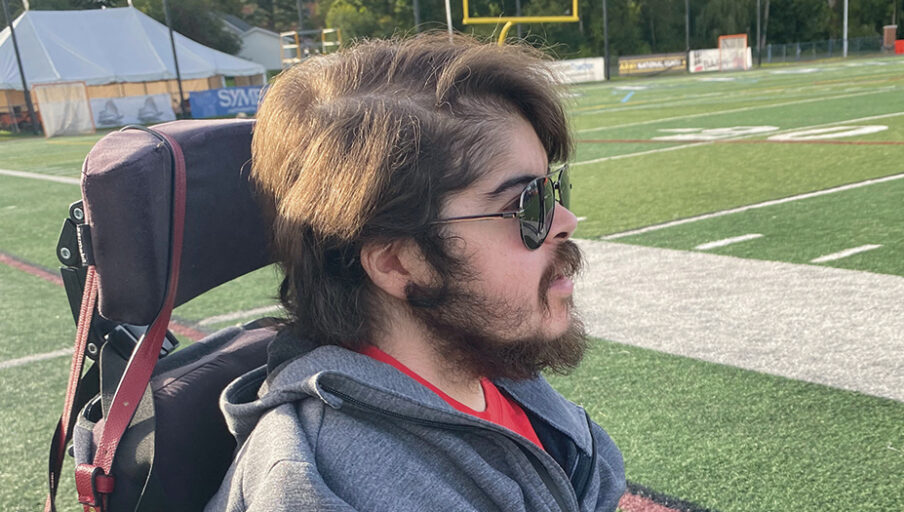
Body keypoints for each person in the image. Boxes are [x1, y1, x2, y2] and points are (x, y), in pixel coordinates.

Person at [205, 33, 626, 512]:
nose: (565, 223)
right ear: (398, 262)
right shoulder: (330, 486)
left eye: (554, 190)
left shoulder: (492, 368)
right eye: (525, 205)